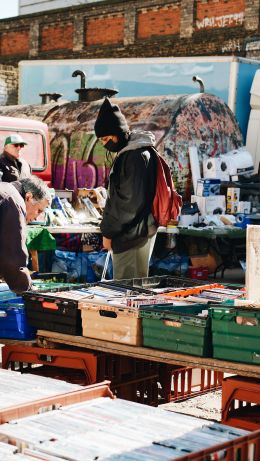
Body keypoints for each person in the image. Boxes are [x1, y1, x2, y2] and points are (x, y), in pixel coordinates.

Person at [94, 97, 157, 279]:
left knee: (125, 289)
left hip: (129, 235)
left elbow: (127, 203)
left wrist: (108, 231)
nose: (104, 144)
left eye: (106, 139)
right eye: (100, 141)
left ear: (118, 132)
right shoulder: (142, 152)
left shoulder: (133, 156)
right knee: (138, 286)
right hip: (143, 230)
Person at [0, 176, 51, 293]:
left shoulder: (5, 190)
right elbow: (13, 257)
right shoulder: (14, 201)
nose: (36, 217)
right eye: (39, 210)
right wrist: (27, 287)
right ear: (28, 197)